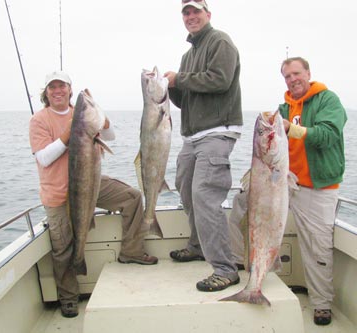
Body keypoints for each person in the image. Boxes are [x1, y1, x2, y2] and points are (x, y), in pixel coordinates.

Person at [29, 71, 158, 318]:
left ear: (69, 89)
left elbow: (110, 136)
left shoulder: (83, 112)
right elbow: (43, 158)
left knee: (132, 196)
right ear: (46, 93)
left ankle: (131, 251)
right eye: (52, 87)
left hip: (92, 183)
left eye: (62, 86)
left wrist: (103, 122)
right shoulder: (39, 120)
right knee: (64, 247)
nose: (58, 91)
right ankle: (68, 297)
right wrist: (69, 135)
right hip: (58, 193)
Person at [230, 57, 347, 325]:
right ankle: (243, 268)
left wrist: (289, 129)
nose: (292, 79)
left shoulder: (328, 101)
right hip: (281, 182)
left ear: (308, 72)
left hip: (317, 187)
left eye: (296, 73)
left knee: (317, 247)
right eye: (286, 76)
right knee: (239, 205)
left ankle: (320, 303)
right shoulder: (282, 108)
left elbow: (328, 135)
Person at [164, 0, 243, 292]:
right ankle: (198, 245)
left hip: (217, 133)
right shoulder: (188, 55)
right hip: (192, 137)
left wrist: (179, 79)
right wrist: (169, 89)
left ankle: (225, 268)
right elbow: (186, 101)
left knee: (205, 195)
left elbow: (220, 81)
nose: (191, 16)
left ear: (208, 14)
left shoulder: (220, 41)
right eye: (186, 11)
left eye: (196, 10)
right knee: (185, 187)